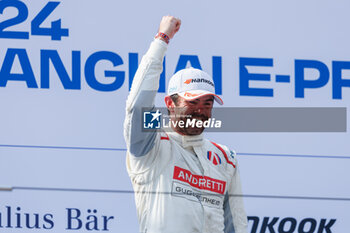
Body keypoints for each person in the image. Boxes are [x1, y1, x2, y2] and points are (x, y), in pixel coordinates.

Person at [124, 16, 248, 233]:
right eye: (192, 102)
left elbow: (235, 224)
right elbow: (137, 105)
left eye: (207, 103)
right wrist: (161, 41)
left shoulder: (225, 157)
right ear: (170, 103)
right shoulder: (153, 143)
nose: (200, 110)